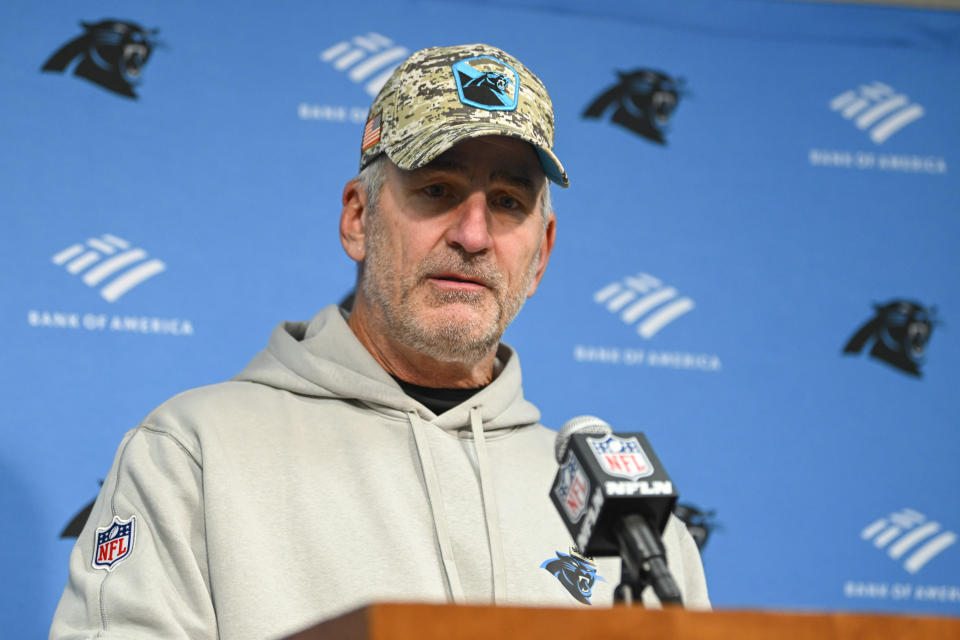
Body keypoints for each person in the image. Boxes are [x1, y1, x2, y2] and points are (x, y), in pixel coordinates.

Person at [50, 43, 709, 640]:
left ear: (541, 254)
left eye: (508, 201)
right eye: (437, 189)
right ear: (358, 218)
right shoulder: (192, 455)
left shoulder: (631, 523)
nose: (474, 235)